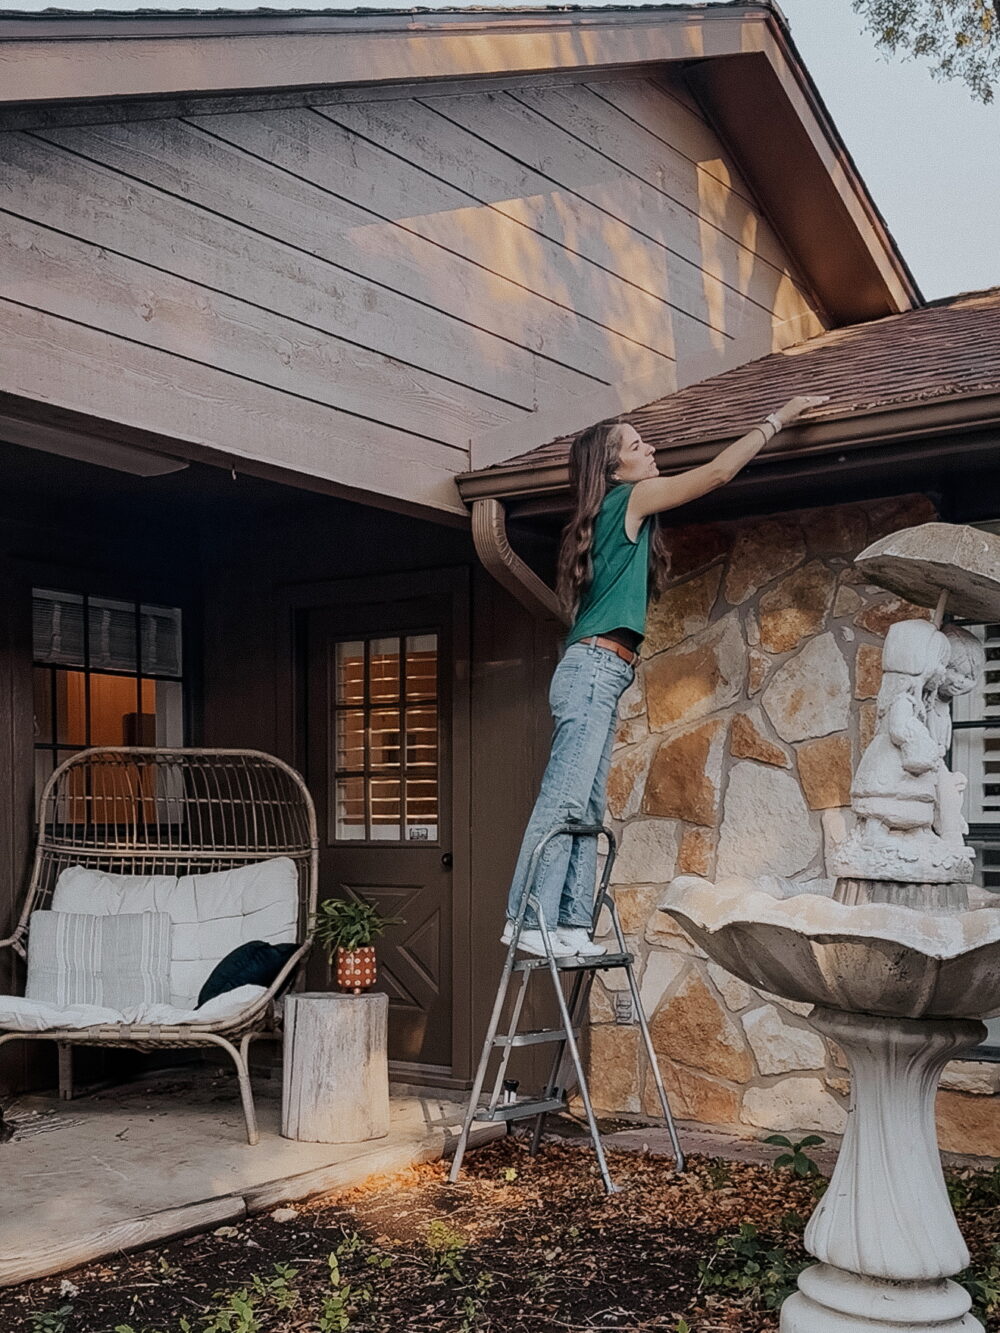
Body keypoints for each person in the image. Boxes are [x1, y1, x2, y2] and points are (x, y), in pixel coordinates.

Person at [501, 394, 830, 958]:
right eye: (636, 446)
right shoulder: (628, 499)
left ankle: (572, 923)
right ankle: (527, 918)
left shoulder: (619, 510)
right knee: (563, 801)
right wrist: (780, 416)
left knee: (586, 807)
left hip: (604, 671)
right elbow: (720, 471)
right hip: (592, 669)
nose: (649, 450)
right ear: (613, 470)